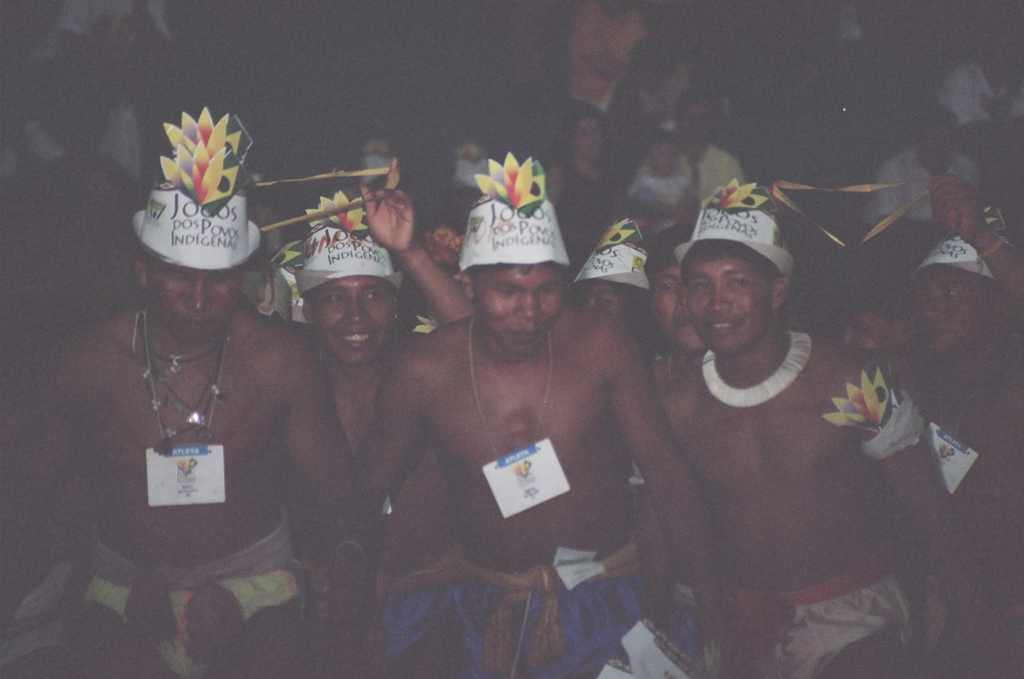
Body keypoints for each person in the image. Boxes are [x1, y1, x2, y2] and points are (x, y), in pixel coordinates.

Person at [1, 109, 364, 679]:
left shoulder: (278, 363)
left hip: (257, 587)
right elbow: (24, 498)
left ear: (241, 275)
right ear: (144, 270)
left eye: (218, 278)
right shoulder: (87, 366)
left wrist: (346, 561)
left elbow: (337, 493)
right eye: (178, 275)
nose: (198, 298)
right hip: (123, 589)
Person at [359, 153, 725, 678]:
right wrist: (359, 601)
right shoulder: (425, 371)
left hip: (608, 597)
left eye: (546, 290)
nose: (529, 312)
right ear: (469, 287)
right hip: (486, 604)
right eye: (508, 291)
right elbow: (364, 493)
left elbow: (667, 476)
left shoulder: (600, 343)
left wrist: (714, 616)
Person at [671, 181, 992, 678]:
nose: (718, 303)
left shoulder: (851, 379)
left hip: (851, 620)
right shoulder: (676, 407)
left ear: (777, 291)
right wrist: (714, 624)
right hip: (734, 618)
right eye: (700, 284)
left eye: (737, 282)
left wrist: (976, 638)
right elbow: (676, 525)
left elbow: (929, 508)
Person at [902, 175, 1024, 678]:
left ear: (999, 309)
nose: (933, 308)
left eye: (951, 291)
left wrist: (984, 239)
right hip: (935, 621)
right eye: (924, 296)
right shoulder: (911, 384)